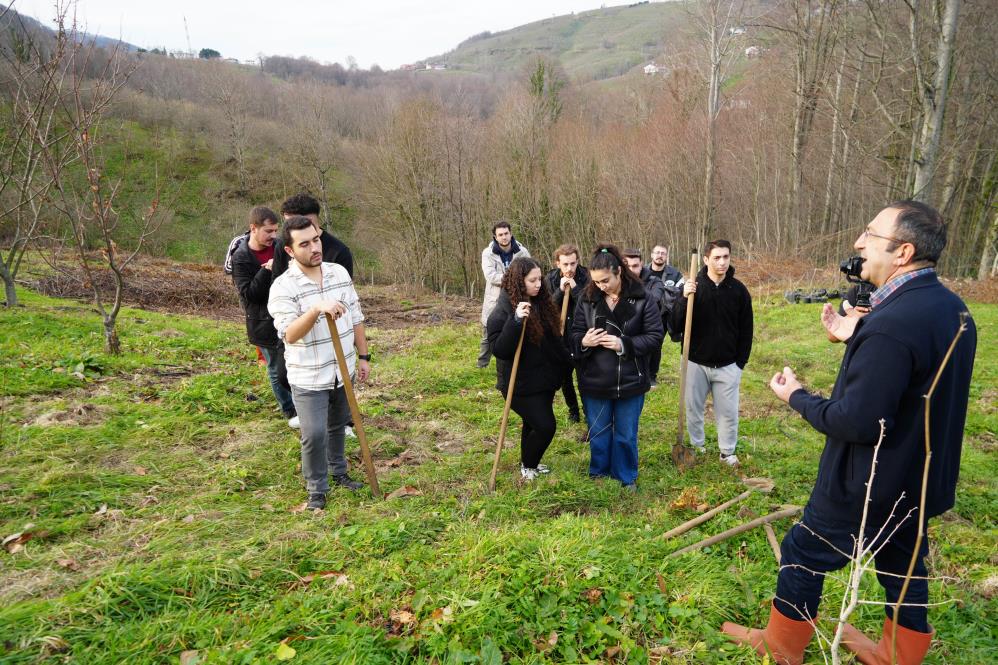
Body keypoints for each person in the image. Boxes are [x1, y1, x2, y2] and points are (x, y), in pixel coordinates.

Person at [722, 201, 977, 665]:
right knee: (903, 567)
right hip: (919, 481)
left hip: (869, 485)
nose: (859, 243)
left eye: (870, 235)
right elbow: (915, 385)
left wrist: (796, 396)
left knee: (803, 550)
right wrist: (855, 332)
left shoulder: (893, 326)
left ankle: (782, 646)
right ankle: (898, 656)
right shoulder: (952, 310)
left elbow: (857, 421)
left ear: (903, 251)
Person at [268, 216, 370, 510]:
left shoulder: (338, 273)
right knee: (313, 433)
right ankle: (316, 488)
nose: (315, 247)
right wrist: (315, 310)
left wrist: (363, 356)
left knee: (338, 424)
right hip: (308, 375)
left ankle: (339, 473)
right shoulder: (283, 287)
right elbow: (289, 334)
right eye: (305, 244)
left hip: (343, 368)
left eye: (316, 239)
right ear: (289, 251)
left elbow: (357, 317)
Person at [571, 244, 663, 490]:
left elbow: (655, 336)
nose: (601, 286)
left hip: (630, 379)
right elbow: (574, 333)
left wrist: (624, 344)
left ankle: (625, 477)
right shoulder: (587, 299)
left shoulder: (643, 298)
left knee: (625, 435)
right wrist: (584, 340)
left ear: (618, 272)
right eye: (596, 282)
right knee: (598, 433)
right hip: (595, 379)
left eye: (605, 281)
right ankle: (599, 474)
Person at [669, 239, 753, 466]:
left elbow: (747, 330)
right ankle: (698, 446)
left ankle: (727, 452)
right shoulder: (694, 288)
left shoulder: (739, 291)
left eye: (726, 257)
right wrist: (683, 298)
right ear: (706, 260)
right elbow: (675, 326)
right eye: (717, 257)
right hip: (695, 361)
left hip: (727, 365)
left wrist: (739, 364)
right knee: (693, 410)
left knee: (728, 413)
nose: (722, 262)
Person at [487, 257, 571, 480]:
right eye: (532, 280)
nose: (538, 284)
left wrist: (570, 360)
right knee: (545, 426)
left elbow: (554, 340)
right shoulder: (502, 312)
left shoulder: (542, 304)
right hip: (519, 385)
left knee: (532, 424)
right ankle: (529, 466)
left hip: (544, 379)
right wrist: (515, 321)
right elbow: (501, 350)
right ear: (518, 282)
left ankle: (528, 464)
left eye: (539, 279)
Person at [230, 206, 298, 428]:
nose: (273, 236)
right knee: (275, 367)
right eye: (268, 231)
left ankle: (304, 405)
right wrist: (266, 270)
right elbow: (249, 294)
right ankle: (289, 410)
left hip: (290, 315)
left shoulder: (280, 246)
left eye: (276, 230)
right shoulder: (241, 257)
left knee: (294, 363)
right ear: (253, 228)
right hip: (262, 323)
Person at [545, 243, 590, 423]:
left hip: (581, 335)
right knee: (565, 378)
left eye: (573, 263)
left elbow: (590, 306)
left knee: (584, 379)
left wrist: (575, 289)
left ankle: (588, 413)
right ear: (558, 263)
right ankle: (573, 411)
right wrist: (560, 291)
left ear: (577, 261)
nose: (570, 268)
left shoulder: (586, 276)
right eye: (565, 264)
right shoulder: (550, 279)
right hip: (560, 336)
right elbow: (547, 307)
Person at [478, 221, 530, 368]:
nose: (504, 237)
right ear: (495, 237)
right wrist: (512, 279)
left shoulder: (522, 252)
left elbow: (529, 270)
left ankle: (513, 360)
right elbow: (490, 276)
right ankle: (482, 364)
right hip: (494, 298)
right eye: (500, 235)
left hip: (517, 297)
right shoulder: (488, 253)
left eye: (506, 233)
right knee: (489, 329)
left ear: (511, 233)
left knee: (515, 327)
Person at [272, 192, 354, 279]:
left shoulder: (340, 252)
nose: (287, 227)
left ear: (308, 221)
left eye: (291, 222)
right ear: (289, 251)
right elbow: (276, 283)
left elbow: (343, 290)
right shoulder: (283, 245)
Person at [623, 248, 665, 385]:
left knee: (652, 352)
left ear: (641, 264)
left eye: (635, 266)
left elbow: (654, 299)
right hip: (627, 328)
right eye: (627, 266)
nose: (631, 270)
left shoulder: (655, 281)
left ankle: (651, 375)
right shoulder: (618, 282)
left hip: (648, 326)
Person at [646, 244, 685, 377]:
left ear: (666, 256)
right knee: (645, 344)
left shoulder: (675, 274)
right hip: (646, 315)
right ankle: (642, 373)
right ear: (652, 255)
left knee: (657, 345)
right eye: (657, 253)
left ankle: (652, 375)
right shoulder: (643, 272)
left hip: (665, 316)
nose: (660, 255)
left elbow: (682, 294)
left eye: (663, 253)